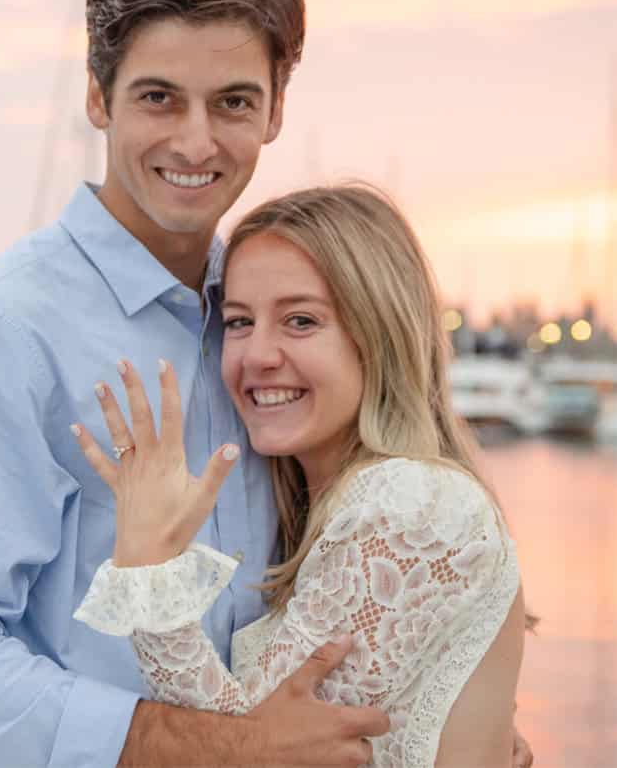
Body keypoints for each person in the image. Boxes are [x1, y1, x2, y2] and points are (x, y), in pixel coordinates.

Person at [0, 0, 533, 767]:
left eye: (233, 102)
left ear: (275, 110)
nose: (196, 142)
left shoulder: (262, 316)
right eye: (158, 97)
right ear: (96, 96)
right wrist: (213, 747)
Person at [72, 184, 527, 766]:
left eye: (301, 320)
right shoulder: (335, 508)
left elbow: (258, 753)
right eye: (238, 322)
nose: (257, 354)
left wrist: (150, 569)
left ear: (379, 332)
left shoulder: (410, 503)